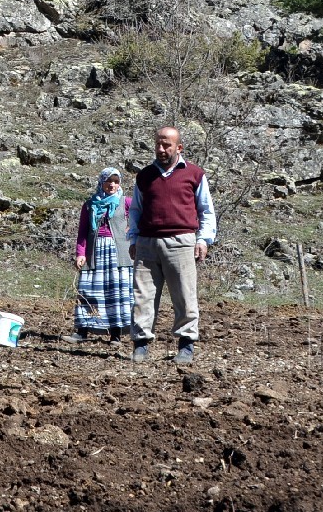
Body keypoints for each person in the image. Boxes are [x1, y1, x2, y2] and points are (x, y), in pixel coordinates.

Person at [127, 126, 216, 365]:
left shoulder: (194, 174)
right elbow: (136, 209)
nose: (160, 149)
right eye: (158, 143)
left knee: (185, 295)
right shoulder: (145, 176)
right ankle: (141, 345)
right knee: (142, 295)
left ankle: (186, 346)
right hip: (147, 243)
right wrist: (133, 238)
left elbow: (206, 210)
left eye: (166, 145)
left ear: (179, 148)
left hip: (181, 241)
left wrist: (203, 239)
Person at [65, 167, 133, 345]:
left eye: (116, 181)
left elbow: (141, 218)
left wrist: (131, 231)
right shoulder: (90, 205)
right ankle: (82, 331)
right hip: (94, 253)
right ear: (101, 182)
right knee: (89, 291)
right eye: (109, 181)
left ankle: (116, 334)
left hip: (118, 254)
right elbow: (82, 232)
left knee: (115, 293)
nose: (112, 185)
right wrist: (80, 253)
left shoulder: (126, 202)